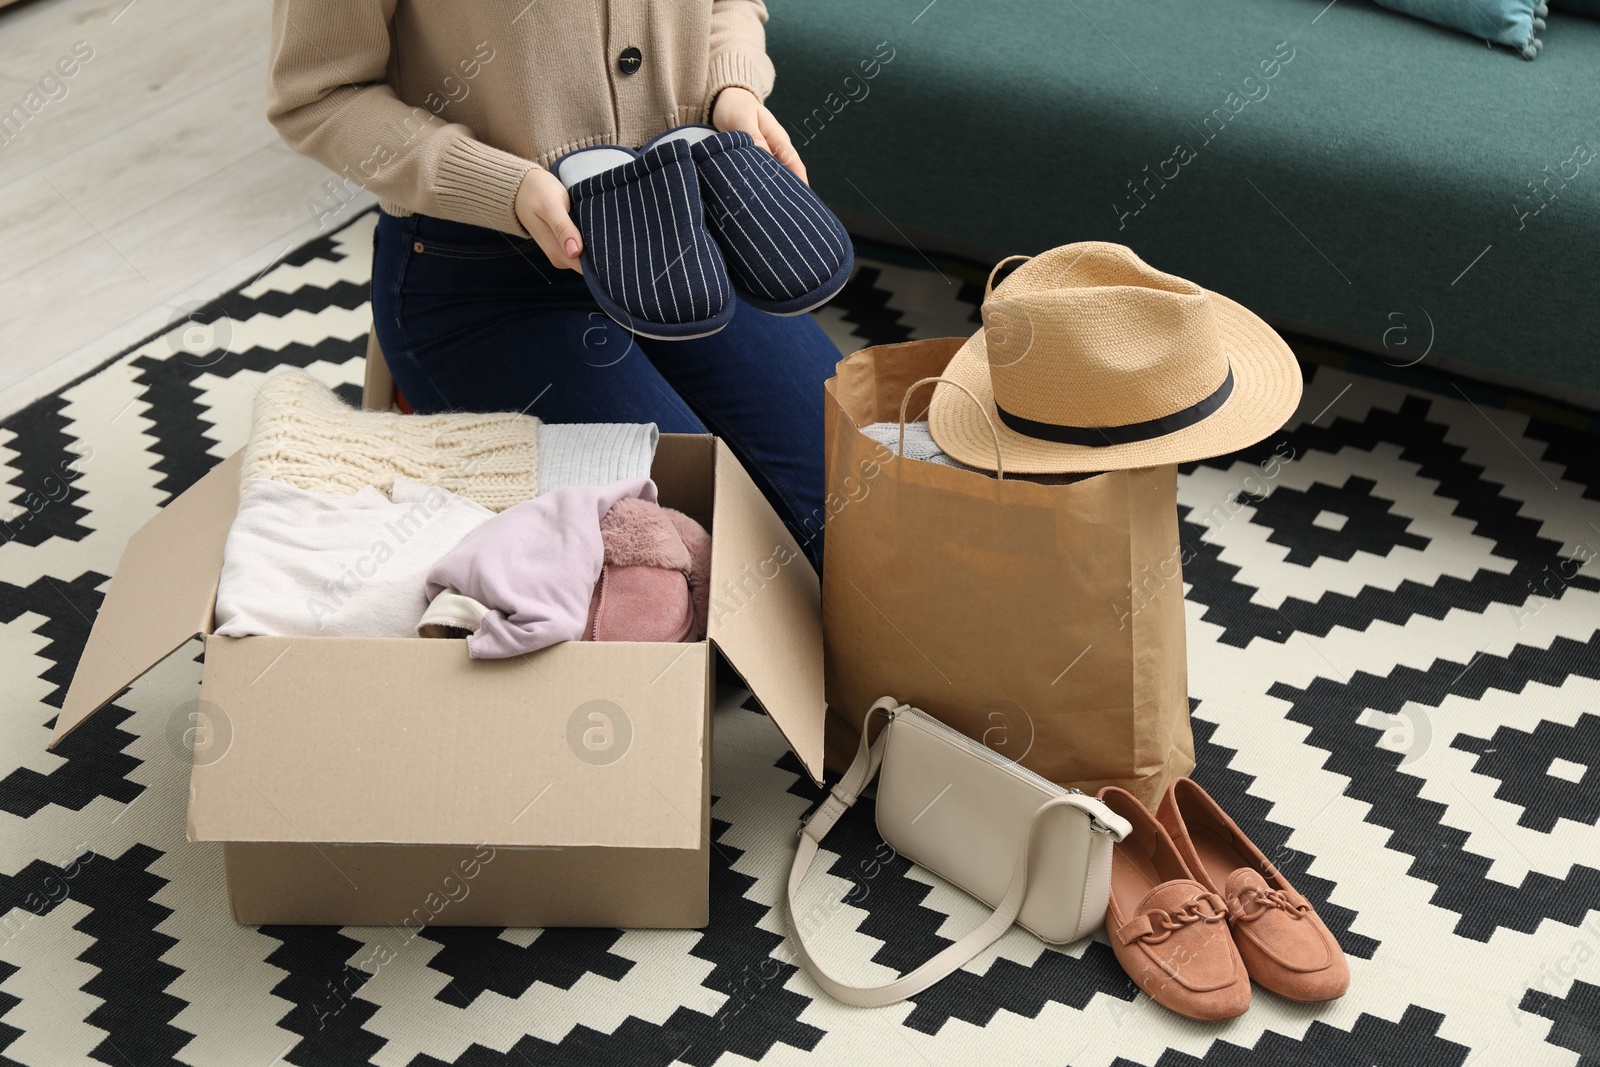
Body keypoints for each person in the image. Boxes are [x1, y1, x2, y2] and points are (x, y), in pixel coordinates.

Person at [266, 1, 840, 568]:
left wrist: (730, 87)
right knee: (704, 562)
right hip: (486, 281)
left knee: (861, 509)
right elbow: (318, 95)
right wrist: (499, 186)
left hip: (686, 237)